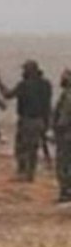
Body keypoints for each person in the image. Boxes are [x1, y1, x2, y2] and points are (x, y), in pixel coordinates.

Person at [0, 60, 53, 182]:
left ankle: (24, 173)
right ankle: (29, 173)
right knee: (33, 148)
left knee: (22, 147)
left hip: (27, 120)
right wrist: (47, 123)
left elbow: (7, 95)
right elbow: (47, 105)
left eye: (24, 70)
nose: (23, 72)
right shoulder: (46, 85)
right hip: (41, 120)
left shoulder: (24, 85)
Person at [52, 70, 71, 206]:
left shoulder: (67, 96)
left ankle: (65, 192)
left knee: (63, 165)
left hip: (66, 136)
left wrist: (55, 132)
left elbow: (63, 120)